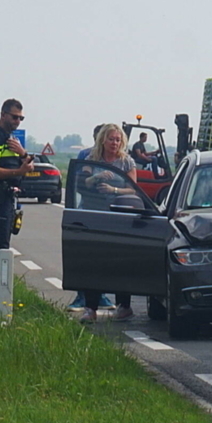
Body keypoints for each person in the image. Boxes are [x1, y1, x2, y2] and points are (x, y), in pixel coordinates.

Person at [76, 124, 138, 324]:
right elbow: (82, 183)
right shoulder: (91, 159)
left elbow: (133, 189)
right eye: (111, 139)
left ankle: (124, 306)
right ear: (103, 139)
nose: (114, 143)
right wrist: (97, 177)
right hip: (93, 214)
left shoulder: (126, 161)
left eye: (118, 140)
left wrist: (114, 190)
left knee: (120, 260)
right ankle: (90, 308)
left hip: (118, 216)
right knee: (93, 261)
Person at [0, 99, 35, 292]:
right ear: (3, 115)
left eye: (21, 118)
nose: (17, 121)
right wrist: (18, 172)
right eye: (14, 117)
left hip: (8, 197)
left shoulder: (12, 140)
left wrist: (22, 152)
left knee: (2, 242)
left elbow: (30, 165)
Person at [67, 123, 114, 312]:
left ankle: (101, 295)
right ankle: (82, 296)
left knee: (105, 256)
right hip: (88, 208)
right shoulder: (86, 156)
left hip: (109, 210)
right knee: (85, 254)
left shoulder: (117, 158)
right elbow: (79, 183)